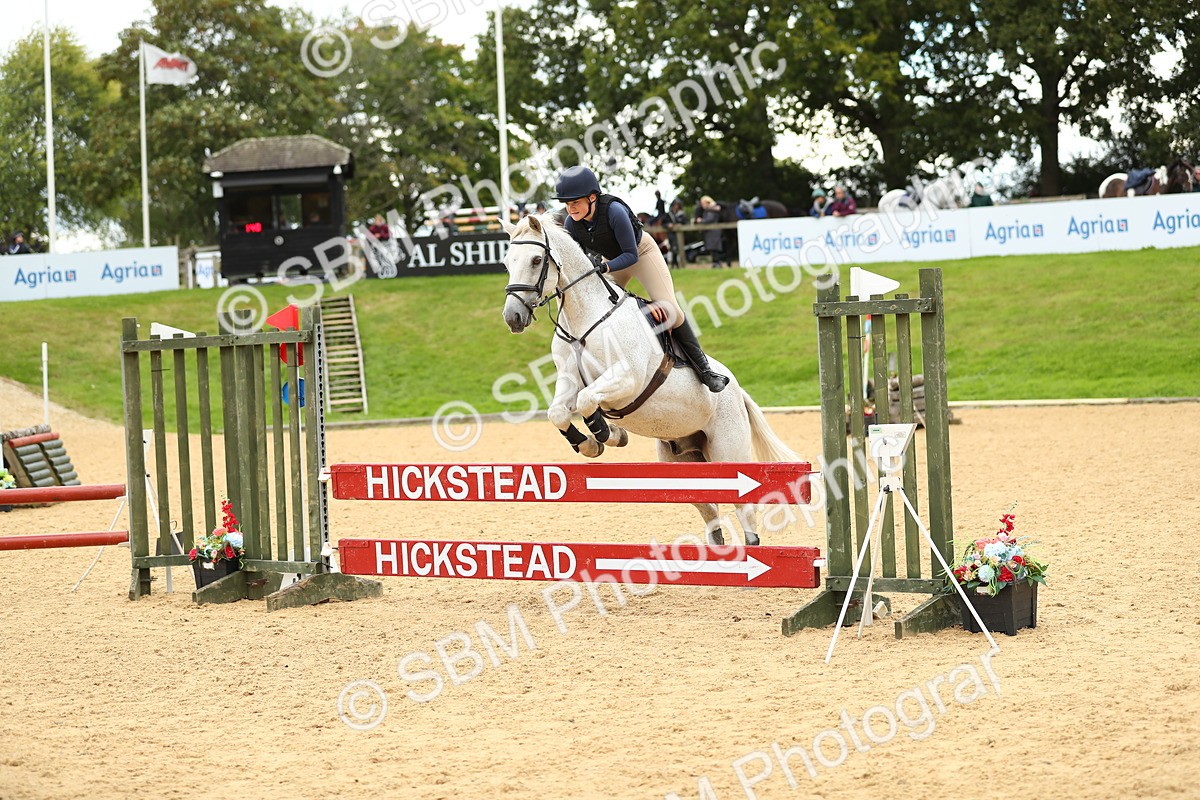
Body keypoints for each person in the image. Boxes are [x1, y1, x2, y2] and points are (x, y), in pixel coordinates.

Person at [554, 166, 728, 392]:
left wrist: (604, 266)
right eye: (567, 204)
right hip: (611, 261)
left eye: (575, 202)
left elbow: (630, 254)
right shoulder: (571, 224)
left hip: (640, 253)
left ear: (592, 197)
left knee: (671, 310)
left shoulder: (614, 211)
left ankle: (705, 371)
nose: (570, 208)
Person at [695, 196, 728, 269]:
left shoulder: (711, 210)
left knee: (714, 248)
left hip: (713, 232)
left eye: (703, 203)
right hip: (712, 232)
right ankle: (716, 263)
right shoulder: (712, 209)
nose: (702, 205)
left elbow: (709, 220)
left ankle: (717, 263)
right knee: (713, 249)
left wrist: (701, 220)